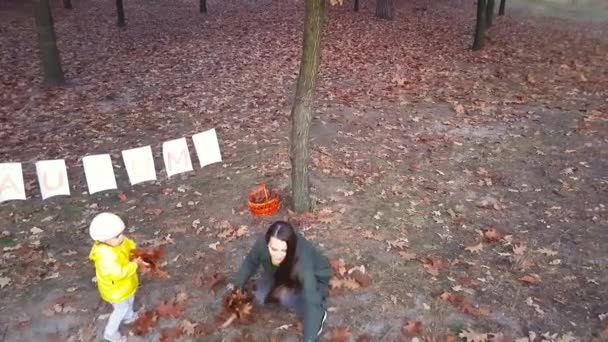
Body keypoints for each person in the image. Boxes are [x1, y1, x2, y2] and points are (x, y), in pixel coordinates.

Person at [229, 221, 332, 342]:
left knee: (292, 300)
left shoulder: (303, 263)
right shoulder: (261, 243)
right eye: (273, 249)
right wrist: (237, 286)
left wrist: (309, 339)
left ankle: (320, 314)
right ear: (267, 243)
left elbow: (311, 298)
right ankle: (285, 288)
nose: (277, 255)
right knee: (260, 295)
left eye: (283, 250)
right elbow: (250, 262)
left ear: (290, 247)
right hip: (284, 273)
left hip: (314, 276)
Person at [88, 212, 146, 342]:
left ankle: (129, 317)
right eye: (117, 236)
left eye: (122, 233)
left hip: (125, 285)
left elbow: (128, 244)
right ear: (103, 240)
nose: (122, 238)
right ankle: (110, 333)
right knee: (121, 308)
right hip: (115, 289)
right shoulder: (105, 256)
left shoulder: (117, 242)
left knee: (130, 298)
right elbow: (117, 273)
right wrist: (134, 265)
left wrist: (135, 252)